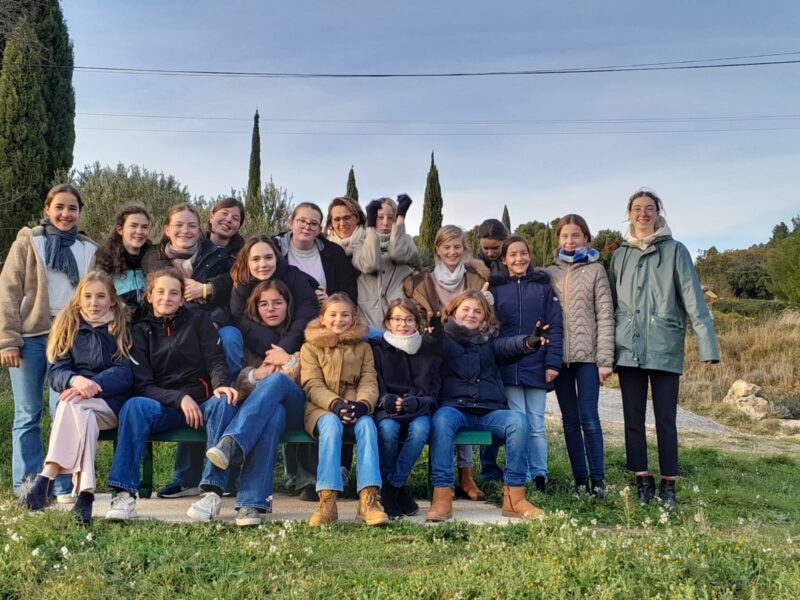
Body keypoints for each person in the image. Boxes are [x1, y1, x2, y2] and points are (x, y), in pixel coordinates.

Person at [609, 188, 719, 510]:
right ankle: (642, 479)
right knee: (632, 418)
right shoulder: (619, 256)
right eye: (637, 208)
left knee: (666, 420)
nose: (643, 214)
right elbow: (610, 305)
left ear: (658, 213)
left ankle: (668, 484)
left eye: (649, 208)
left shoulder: (676, 251)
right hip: (627, 348)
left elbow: (693, 299)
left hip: (664, 346)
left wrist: (707, 345)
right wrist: (605, 351)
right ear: (629, 213)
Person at [104, 267, 238, 521]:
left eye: (174, 293)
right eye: (161, 292)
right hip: (163, 407)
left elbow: (216, 360)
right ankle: (124, 494)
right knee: (134, 405)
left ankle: (212, 493)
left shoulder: (198, 320)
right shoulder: (140, 331)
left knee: (224, 400)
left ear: (182, 298)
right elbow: (143, 384)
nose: (167, 298)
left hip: (202, 404)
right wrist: (179, 399)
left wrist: (220, 384)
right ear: (150, 296)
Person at [0, 184, 97, 500]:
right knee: (27, 414)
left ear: (79, 212)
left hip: (69, 339)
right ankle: (26, 485)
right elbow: (8, 290)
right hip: (30, 337)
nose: (66, 214)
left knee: (64, 411)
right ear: (47, 209)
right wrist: (7, 339)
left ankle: (61, 484)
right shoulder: (29, 241)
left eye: (72, 208)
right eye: (60, 207)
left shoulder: (88, 249)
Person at [141, 203, 242, 499]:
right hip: (173, 332)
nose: (185, 231)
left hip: (209, 328)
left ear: (201, 229)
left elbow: (232, 288)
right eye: (179, 225)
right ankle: (186, 476)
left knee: (219, 385)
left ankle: (220, 472)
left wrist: (207, 291)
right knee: (189, 388)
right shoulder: (154, 257)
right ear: (167, 229)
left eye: (191, 225)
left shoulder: (218, 254)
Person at [426, 289, 547, 522]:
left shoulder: (489, 341)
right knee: (441, 420)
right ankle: (442, 496)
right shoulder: (445, 338)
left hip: (488, 412)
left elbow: (508, 346)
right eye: (466, 309)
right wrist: (433, 334)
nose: (471, 314)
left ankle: (515, 497)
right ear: (453, 312)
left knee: (518, 421)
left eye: (477, 311)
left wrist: (528, 343)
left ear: (485, 317)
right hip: (455, 408)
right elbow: (432, 346)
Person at [22, 272, 133, 524]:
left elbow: (126, 372)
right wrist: (75, 380)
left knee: (69, 403)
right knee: (83, 417)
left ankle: (46, 477)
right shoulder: (68, 326)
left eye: (101, 296)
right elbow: (56, 372)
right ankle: (85, 496)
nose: (94, 302)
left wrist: (93, 384)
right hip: (81, 406)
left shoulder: (122, 327)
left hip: (112, 403)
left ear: (112, 300)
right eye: (88, 296)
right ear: (79, 299)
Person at [274, 203, 359, 498]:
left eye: (313, 223)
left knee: (329, 392)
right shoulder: (277, 249)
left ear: (321, 228)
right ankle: (297, 473)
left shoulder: (332, 254)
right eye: (302, 221)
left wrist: (330, 299)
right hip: (288, 328)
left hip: (326, 329)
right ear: (291, 222)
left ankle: (334, 469)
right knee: (297, 395)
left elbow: (348, 292)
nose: (307, 227)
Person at [204, 279, 306, 526]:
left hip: (298, 408)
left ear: (288, 305)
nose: (271, 309)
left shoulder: (302, 336)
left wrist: (289, 361)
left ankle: (232, 442)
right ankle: (251, 504)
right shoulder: (248, 339)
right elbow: (238, 385)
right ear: (255, 308)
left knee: (277, 382)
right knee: (273, 415)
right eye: (264, 304)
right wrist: (255, 375)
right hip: (266, 414)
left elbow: (312, 378)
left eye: (277, 303)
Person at [403, 224, 491, 500]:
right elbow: (416, 316)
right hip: (433, 351)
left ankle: (466, 474)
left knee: (460, 404)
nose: (452, 252)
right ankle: (440, 478)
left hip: (465, 349)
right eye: (446, 247)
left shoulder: (477, 279)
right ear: (437, 250)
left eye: (457, 246)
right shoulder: (419, 282)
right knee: (439, 411)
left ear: (464, 249)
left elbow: (483, 313)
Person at [300, 293, 389, 527]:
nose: (338, 320)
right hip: (321, 408)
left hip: (355, 407)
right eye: (332, 315)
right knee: (331, 425)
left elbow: (369, 381)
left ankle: (369, 500)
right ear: (322, 318)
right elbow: (312, 384)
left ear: (353, 318)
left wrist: (362, 405)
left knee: (368, 425)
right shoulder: (310, 347)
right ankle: (327, 502)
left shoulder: (363, 348)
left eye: (344, 315)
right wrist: (335, 404)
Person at [485, 236, 563, 491]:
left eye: (523, 253)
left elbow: (555, 326)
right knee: (518, 422)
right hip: (508, 366)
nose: (519, 258)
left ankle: (539, 473)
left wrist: (553, 363)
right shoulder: (496, 290)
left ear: (530, 255)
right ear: (504, 259)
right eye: (513, 254)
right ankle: (520, 471)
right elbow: (490, 328)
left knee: (537, 423)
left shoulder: (543, 289)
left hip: (537, 365)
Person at [546, 214, 614, 497]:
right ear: (559, 239)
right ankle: (580, 480)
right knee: (569, 420)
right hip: (559, 359)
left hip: (588, 358)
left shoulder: (596, 270)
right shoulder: (549, 273)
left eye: (576, 235)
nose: (570, 241)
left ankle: (598, 480)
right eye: (565, 236)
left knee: (589, 417)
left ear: (586, 237)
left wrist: (605, 360)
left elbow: (605, 316)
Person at [370, 298, 441, 519]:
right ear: (388, 322)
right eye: (397, 319)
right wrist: (385, 399)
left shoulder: (426, 349)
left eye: (409, 320)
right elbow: (373, 381)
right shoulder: (377, 349)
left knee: (420, 430)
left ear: (417, 323)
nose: (403, 324)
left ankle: (392, 487)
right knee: (387, 430)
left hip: (418, 407)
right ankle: (395, 490)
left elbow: (433, 387)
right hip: (388, 407)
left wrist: (418, 401)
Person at [229, 235, 319, 353]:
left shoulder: (293, 276)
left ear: (276, 257)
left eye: (268, 257)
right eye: (256, 259)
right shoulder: (241, 284)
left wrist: (285, 346)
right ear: (247, 261)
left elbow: (306, 311)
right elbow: (239, 320)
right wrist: (273, 345)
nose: (263, 264)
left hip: (295, 343)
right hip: (260, 346)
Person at [351, 195, 418, 328]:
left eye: (391, 218)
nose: (385, 222)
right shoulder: (360, 244)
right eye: (379, 217)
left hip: (399, 319)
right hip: (368, 318)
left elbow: (397, 253)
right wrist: (371, 229)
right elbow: (369, 265)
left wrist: (400, 220)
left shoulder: (406, 242)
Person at [94, 204, 152, 309]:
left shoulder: (154, 259)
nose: (139, 231)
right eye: (133, 226)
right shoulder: (105, 261)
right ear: (120, 230)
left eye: (144, 227)